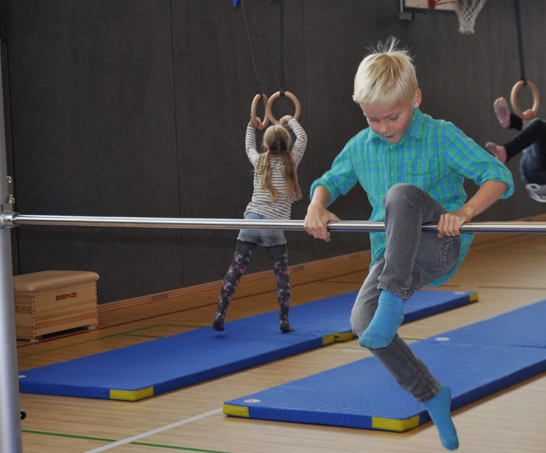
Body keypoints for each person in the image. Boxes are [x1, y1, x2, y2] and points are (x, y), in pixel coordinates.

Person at [304, 39, 513, 451]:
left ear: (415, 99)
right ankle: (433, 395)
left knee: (400, 194)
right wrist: (316, 204)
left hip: (439, 245)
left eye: (393, 116)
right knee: (365, 327)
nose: (383, 127)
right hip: (390, 256)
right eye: (372, 119)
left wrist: (466, 211)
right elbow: (329, 181)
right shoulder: (361, 146)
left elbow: (498, 175)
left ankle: (393, 300)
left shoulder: (441, 135)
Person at [213, 114, 307, 333]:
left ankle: (220, 313)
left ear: (265, 145)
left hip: (252, 222)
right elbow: (303, 137)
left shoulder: (259, 161)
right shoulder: (290, 162)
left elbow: (248, 146)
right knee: (281, 274)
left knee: (235, 270)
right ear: (288, 145)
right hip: (273, 228)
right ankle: (284, 321)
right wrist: (290, 120)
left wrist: (250, 125)